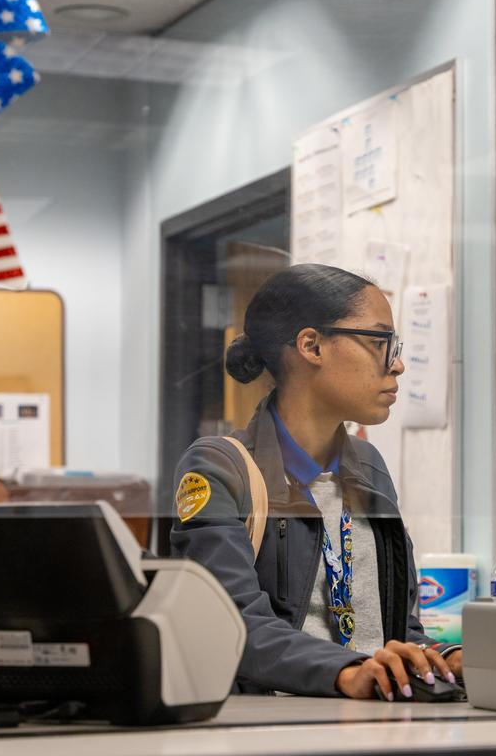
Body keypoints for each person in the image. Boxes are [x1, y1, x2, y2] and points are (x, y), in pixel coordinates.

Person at [170, 263, 462, 701]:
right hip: (281, 730)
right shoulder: (219, 468)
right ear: (311, 346)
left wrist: (448, 658)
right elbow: (233, 623)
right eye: (380, 341)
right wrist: (349, 672)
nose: (397, 364)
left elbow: (397, 632)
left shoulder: (368, 467)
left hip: (380, 720)